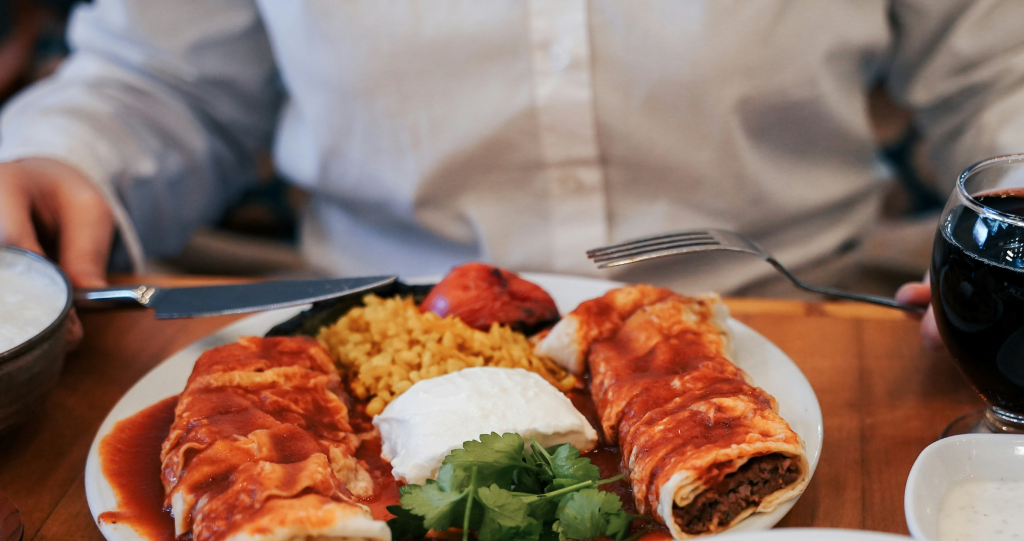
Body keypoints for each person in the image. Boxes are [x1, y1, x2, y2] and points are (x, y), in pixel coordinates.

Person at [0, 0, 1022, 350]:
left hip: (801, 327)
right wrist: (57, 159)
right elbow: (158, 84)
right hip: (368, 345)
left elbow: (996, 71)